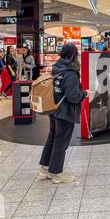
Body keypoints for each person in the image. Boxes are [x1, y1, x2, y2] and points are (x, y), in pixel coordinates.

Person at [39, 43, 90, 184]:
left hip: (54, 108)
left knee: (53, 137)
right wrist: (84, 94)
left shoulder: (57, 68)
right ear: (74, 55)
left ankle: (45, 166)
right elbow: (73, 96)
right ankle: (56, 173)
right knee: (61, 142)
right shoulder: (71, 72)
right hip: (65, 112)